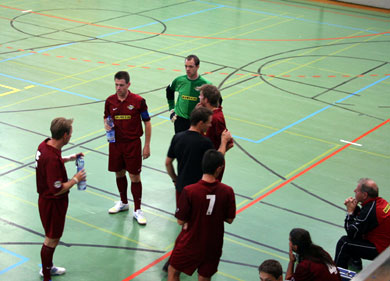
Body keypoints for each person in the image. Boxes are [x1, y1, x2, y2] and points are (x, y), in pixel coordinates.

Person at [168, 149, 236, 281]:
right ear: (219, 169)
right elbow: (230, 219)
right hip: (213, 244)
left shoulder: (190, 191)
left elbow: (180, 221)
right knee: (205, 277)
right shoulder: (227, 191)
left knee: (173, 270)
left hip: (191, 242)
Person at [35, 117, 86, 281]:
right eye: (70, 133)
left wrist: (69, 158)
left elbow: (54, 159)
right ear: (65, 135)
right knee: (51, 239)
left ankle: (48, 267)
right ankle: (47, 274)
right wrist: (75, 179)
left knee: (51, 237)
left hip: (47, 201)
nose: (71, 135)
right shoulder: (52, 160)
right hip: (52, 204)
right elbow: (57, 190)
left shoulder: (45, 145)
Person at [104, 71, 151, 225]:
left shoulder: (138, 101)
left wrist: (147, 145)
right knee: (119, 173)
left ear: (128, 85)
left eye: (121, 85)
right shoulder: (110, 101)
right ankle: (123, 203)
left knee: (134, 176)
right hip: (116, 144)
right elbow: (106, 117)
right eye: (116, 84)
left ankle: (138, 210)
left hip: (132, 144)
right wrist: (106, 124)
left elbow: (147, 122)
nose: (118, 88)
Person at [165, 107, 232, 207]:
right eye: (208, 122)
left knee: (182, 219)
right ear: (201, 123)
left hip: (181, 189)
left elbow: (168, 163)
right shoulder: (205, 143)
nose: (210, 125)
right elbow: (217, 160)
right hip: (198, 191)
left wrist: (175, 179)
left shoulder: (177, 137)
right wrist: (223, 142)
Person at [334, 178, 390, 270]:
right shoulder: (377, 203)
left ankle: (337, 275)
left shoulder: (371, 211)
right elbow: (363, 222)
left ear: (364, 195)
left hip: (382, 250)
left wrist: (350, 212)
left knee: (344, 243)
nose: (354, 191)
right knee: (357, 232)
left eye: (357, 190)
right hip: (385, 244)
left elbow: (351, 232)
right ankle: (355, 261)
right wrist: (355, 209)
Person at [166, 54, 212, 133]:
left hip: (197, 121)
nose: (187, 69)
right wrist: (172, 109)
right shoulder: (179, 80)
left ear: (197, 67)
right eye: (186, 66)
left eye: (191, 66)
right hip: (180, 120)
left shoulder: (205, 84)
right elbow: (169, 90)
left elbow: (217, 101)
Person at [197, 84, 233, 180]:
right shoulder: (206, 114)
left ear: (206, 100)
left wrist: (214, 159)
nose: (199, 98)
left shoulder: (216, 119)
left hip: (211, 167)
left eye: (201, 96)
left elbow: (229, 144)